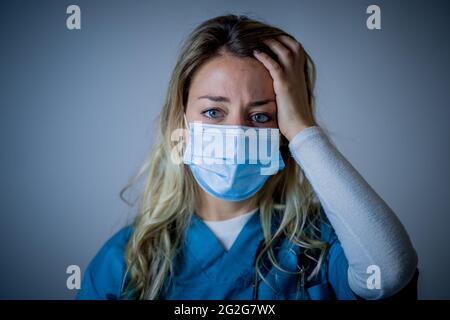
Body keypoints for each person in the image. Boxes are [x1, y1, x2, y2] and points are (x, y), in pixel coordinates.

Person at [76, 14, 418, 300]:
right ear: (180, 122)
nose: (236, 133)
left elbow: (387, 273)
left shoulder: (321, 245)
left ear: (283, 132)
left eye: (260, 116)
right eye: (213, 112)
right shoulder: (127, 261)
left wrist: (302, 128)